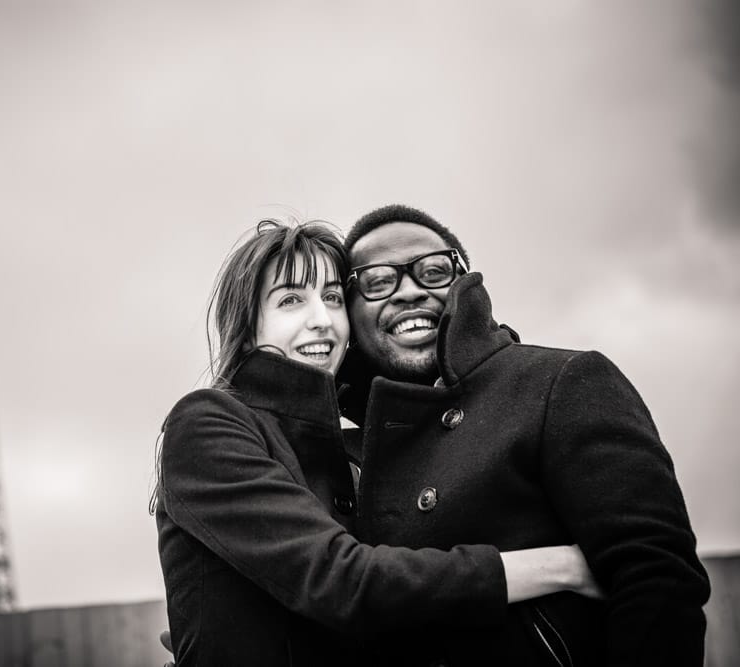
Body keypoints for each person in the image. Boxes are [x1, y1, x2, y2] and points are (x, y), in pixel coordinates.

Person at [152, 220, 600, 667]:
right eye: (291, 300)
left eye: (331, 298)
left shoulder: (349, 449)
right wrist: (561, 568)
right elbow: (344, 581)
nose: (322, 321)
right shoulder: (207, 423)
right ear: (247, 327)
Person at [337, 204, 711, 666]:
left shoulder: (561, 381)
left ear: (464, 284)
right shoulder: (339, 455)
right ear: (348, 311)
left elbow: (656, 577)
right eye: (376, 281)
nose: (410, 291)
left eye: (434, 271)